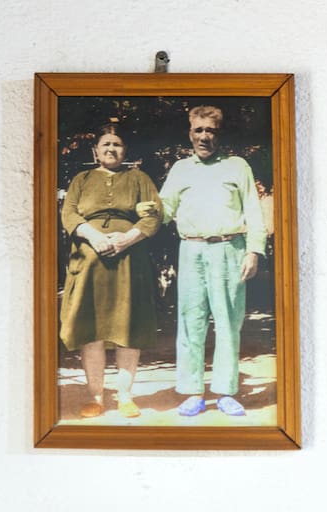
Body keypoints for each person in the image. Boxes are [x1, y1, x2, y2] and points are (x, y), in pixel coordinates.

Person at [158, 105, 266, 416]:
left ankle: (224, 391)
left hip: (229, 249)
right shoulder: (180, 169)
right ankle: (192, 392)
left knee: (228, 322)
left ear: (219, 134)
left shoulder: (237, 166)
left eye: (211, 131)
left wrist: (253, 251)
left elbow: (253, 211)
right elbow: (163, 209)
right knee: (191, 323)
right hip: (191, 251)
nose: (205, 137)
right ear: (189, 133)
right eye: (199, 130)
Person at [60, 123, 163, 418]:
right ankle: (95, 397)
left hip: (129, 261)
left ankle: (126, 397)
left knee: (126, 327)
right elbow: (69, 213)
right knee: (91, 328)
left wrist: (127, 238)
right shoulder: (81, 179)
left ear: (124, 151)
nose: (111, 149)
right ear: (95, 151)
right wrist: (94, 236)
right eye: (105, 144)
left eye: (116, 144)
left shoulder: (139, 178)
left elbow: (154, 214)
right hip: (90, 262)